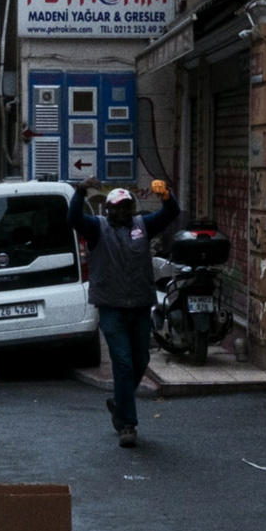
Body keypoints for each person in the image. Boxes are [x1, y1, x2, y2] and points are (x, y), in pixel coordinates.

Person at [69, 178, 177, 447]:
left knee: (140, 360)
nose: (122, 211)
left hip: (139, 306)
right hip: (112, 308)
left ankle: (119, 402)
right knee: (123, 363)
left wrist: (166, 195)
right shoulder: (97, 228)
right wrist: (80, 191)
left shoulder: (143, 226)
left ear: (132, 208)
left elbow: (171, 213)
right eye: (117, 207)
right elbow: (74, 218)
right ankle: (128, 424)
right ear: (108, 209)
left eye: (126, 206)